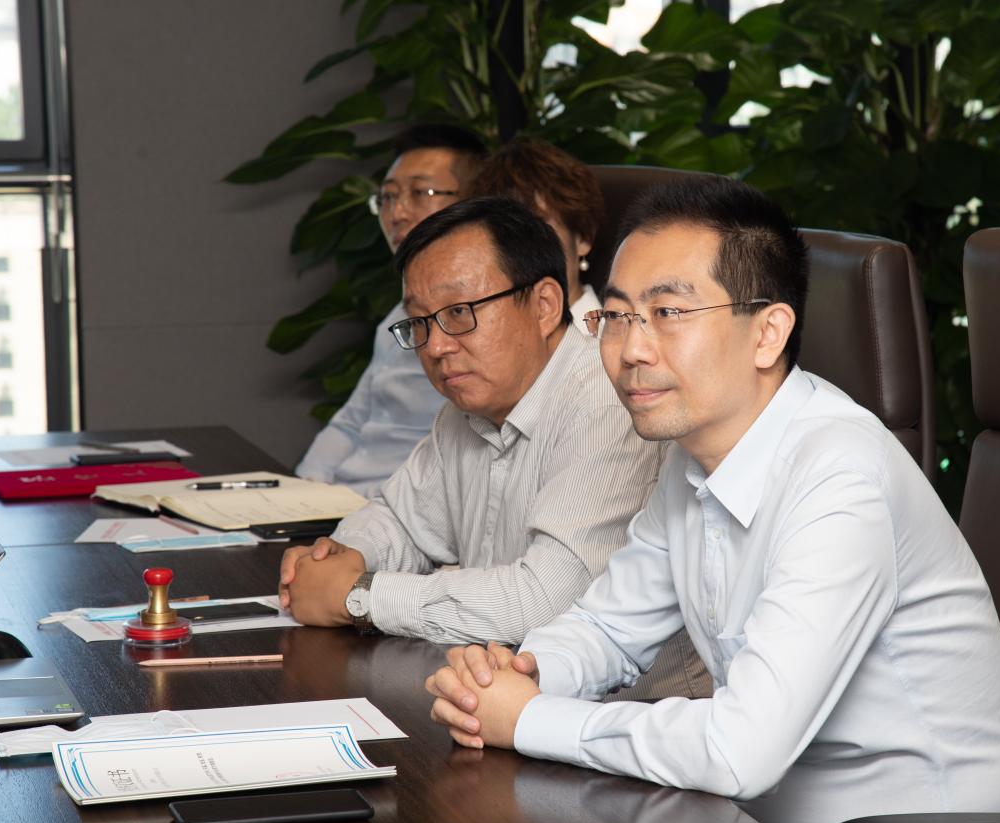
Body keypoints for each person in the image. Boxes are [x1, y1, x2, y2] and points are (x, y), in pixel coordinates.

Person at [424, 177, 1000, 823]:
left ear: (768, 333)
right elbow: (610, 626)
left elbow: (742, 748)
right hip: (751, 819)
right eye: (617, 316)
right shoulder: (694, 456)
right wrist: (523, 674)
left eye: (668, 313)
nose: (632, 350)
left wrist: (529, 718)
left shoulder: (842, 477)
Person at [278, 195, 706, 697]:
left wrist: (359, 596)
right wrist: (345, 554)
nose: (436, 346)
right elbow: (400, 519)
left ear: (544, 306)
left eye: (460, 312)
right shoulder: (466, 408)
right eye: (420, 322)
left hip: (633, 712)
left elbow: (546, 600)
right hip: (502, 696)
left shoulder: (608, 399)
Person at [294, 124, 486, 495]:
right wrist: (306, 488)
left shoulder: (481, 318)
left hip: (399, 509)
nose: (397, 212)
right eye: (387, 197)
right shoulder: (397, 316)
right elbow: (350, 422)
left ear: (474, 201)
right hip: (340, 501)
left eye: (420, 192)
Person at [470, 139, 604, 329]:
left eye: (538, 225)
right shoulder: (472, 335)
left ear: (583, 238)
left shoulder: (609, 342)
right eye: (505, 231)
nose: (521, 244)